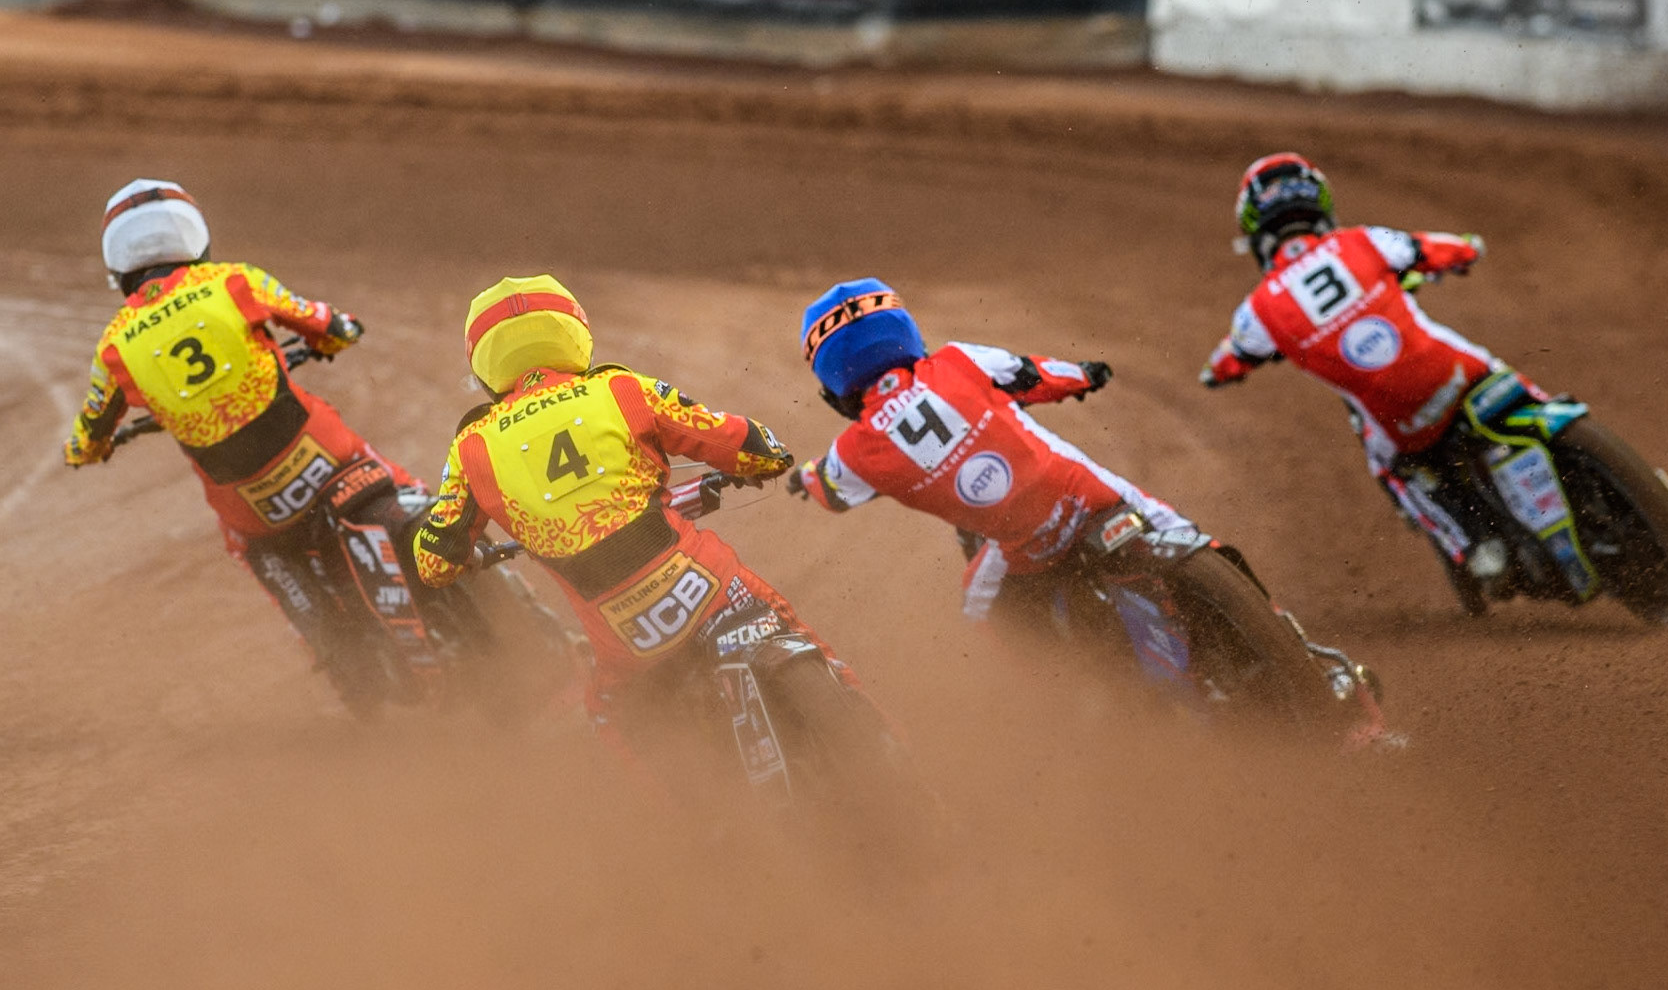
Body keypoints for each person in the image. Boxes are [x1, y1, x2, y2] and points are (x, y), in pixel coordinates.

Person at [411, 274, 845, 748]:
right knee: (813, 651)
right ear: (572, 331)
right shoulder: (620, 388)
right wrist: (768, 456)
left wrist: (468, 557)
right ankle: (895, 755)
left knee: (609, 720)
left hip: (625, 645)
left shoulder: (472, 445)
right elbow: (744, 443)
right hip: (713, 587)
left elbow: (433, 564)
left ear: (483, 361)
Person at [63, 179, 405, 668]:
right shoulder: (233, 281)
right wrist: (341, 333)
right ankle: (439, 536)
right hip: (318, 449)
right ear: (193, 235)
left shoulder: (114, 346)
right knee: (394, 480)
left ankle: (333, 649)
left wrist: (83, 451)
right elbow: (323, 323)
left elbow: (90, 431)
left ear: (116, 262)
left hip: (245, 499)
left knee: (254, 548)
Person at [786, 277, 1196, 630]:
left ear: (833, 383)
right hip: (1086, 494)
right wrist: (1087, 374)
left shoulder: (853, 452)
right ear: (904, 331)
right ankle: (1229, 575)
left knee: (980, 613)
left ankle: (1062, 683)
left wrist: (803, 475)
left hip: (1024, 549)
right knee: (1181, 531)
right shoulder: (957, 360)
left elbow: (829, 490)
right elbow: (1036, 374)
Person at [1197, 152, 1504, 584]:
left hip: (1401, 420)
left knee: (1390, 466)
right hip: (1462, 372)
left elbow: (1229, 359)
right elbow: (1435, 248)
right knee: (1491, 368)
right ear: (1319, 202)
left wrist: (1216, 373)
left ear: (1254, 227)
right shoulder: (1362, 241)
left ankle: (1473, 544)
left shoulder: (1258, 310)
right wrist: (1469, 248)